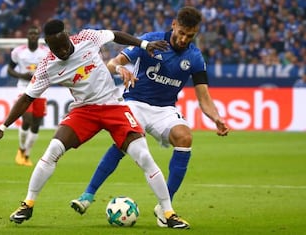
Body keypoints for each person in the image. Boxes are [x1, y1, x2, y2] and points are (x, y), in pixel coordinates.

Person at [0, 19, 190, 229]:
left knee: (144, 156)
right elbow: (26, 98)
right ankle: (27, 204)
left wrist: (144, 45)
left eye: (63, 44)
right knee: (53, 149)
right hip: (84, 111)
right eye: (56, 48)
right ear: (48, 46)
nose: (62, 50)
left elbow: (115, 34)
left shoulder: (87, 37)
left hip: (114, 107)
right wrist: (2, 127)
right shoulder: (48, 66)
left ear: (67, 36)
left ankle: (168, 213)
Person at [71, 6, 230, 228]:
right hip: (135, 102)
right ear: (174, 24)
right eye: (181, 32)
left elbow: (203, 97)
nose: (184, 39)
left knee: (185, 138)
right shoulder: (150, 41)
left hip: (165, 109)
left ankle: (165, 209)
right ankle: (87, 195)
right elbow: (113, 62)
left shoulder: (194, 57)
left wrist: (217, 118)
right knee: (123, 142)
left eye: (190, 35)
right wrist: (120, 70)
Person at [7, 25, 49, 166]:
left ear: (38, 36)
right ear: (27, 36)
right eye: (30, 33)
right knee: (28, 119)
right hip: (23, 89)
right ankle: (21, 149)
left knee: (36, 124)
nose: (32, 36)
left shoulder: (45, 52)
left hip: (40, 90)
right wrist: (21, 75)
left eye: (35, 33)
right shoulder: (18, 52)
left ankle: (26, 154)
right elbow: (9, 69)